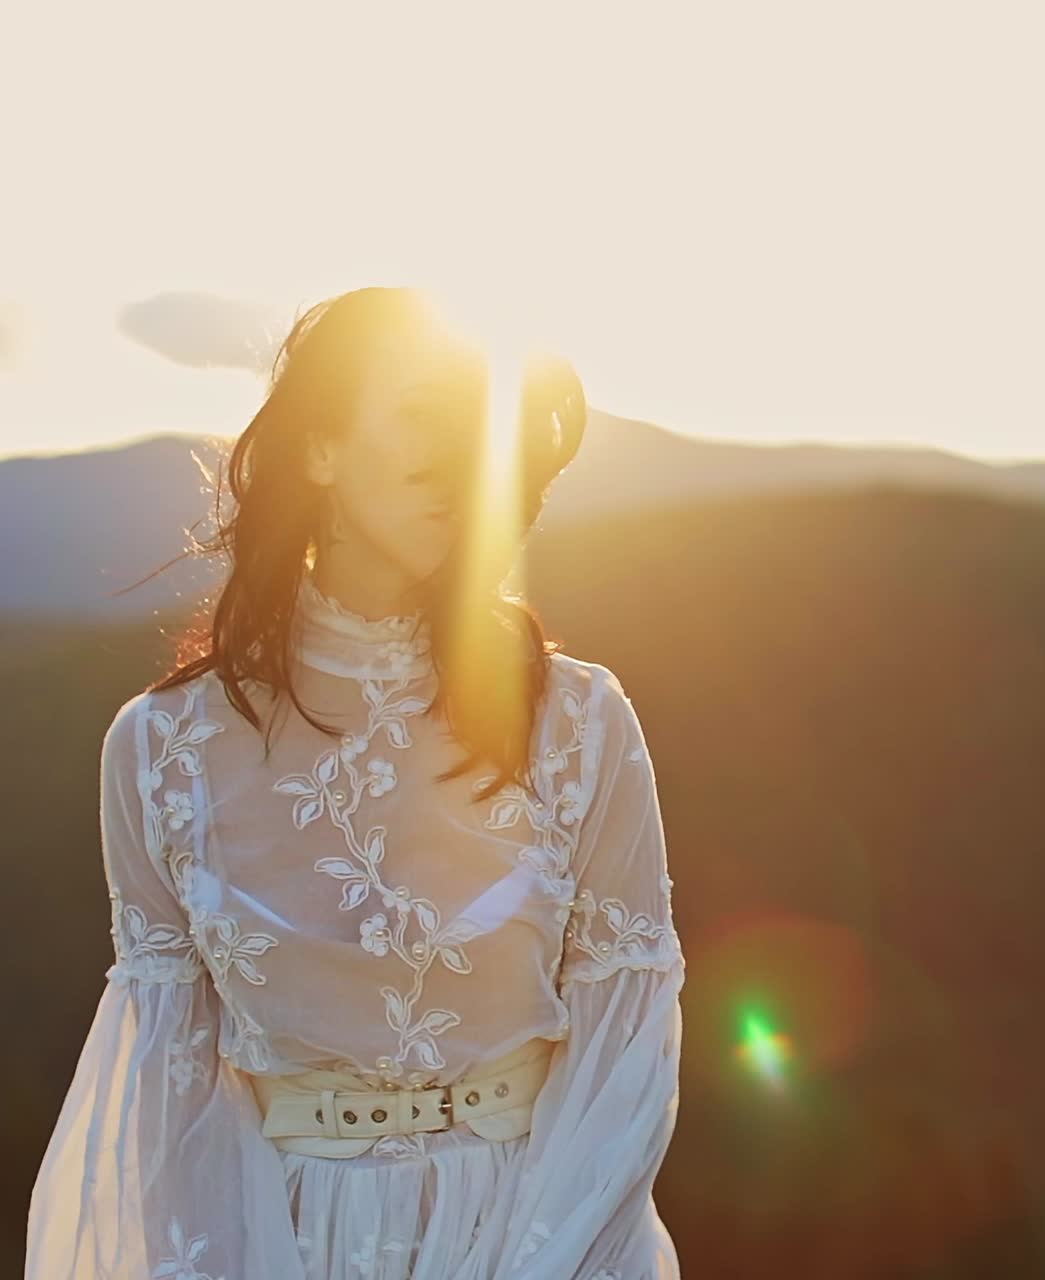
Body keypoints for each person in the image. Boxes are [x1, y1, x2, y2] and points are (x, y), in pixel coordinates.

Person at [24, 286, 685, 1279]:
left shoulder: (578, 723)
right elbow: (165, 1104)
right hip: (271, 1243)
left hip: (537, 1235)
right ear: (320, 449)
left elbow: (625, 1047)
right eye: (420, 416)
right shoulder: (162, 751)